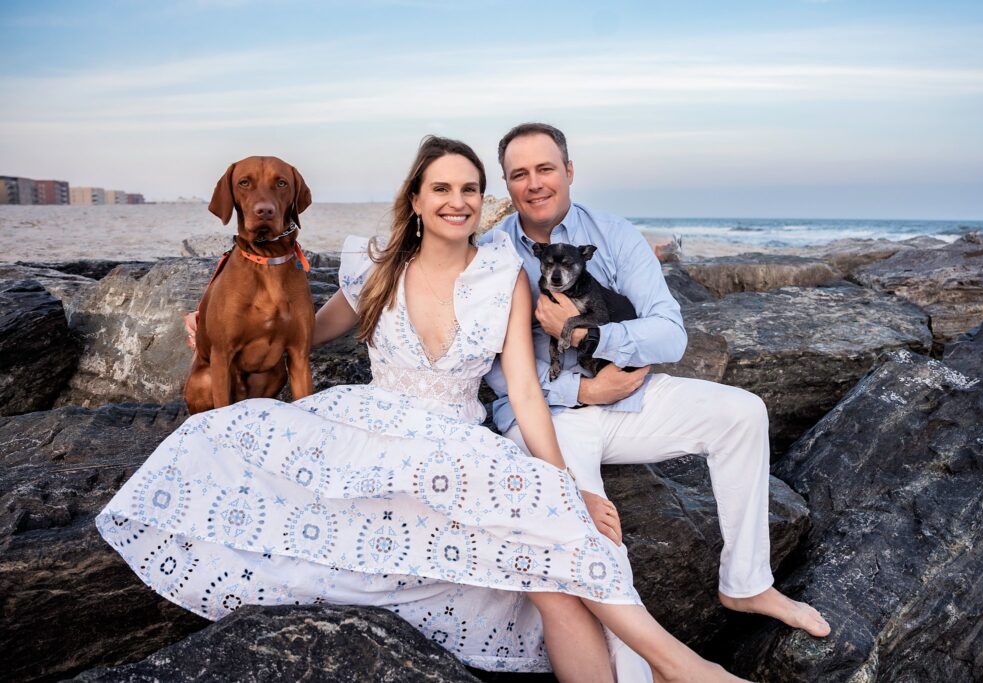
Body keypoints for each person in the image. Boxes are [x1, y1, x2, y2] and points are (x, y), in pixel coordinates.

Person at [95, 136, 749, 682]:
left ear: (481, 200)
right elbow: (302, 332)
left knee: (558, 567)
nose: (457, 200)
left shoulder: (504, 277)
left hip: (462, 441)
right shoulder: (376, 269)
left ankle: (678, 667)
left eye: (469, 188)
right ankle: (688, 668)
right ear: (416, 199)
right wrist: (209, 322)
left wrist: (571, 483)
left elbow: (524, 391)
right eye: (441, 188)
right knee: (218, 439)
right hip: (373, 433)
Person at [483, 122, 832, 639]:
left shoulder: (617, 236)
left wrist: (588, 339)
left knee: (743, 412)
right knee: (597, 534)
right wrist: (579, 390)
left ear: (569, 171)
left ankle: (747, 583)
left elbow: (669, 335)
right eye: (519, 174)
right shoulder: (492, 252)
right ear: (507, 185)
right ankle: (634, 660)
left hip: (628, 398)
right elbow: (487, 363)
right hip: (547, 419)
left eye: (545, 169)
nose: (534, 183)